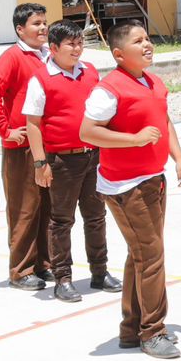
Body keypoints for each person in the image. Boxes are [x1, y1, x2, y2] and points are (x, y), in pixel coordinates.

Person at [80, 21, 181, 359]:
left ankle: (131, 328)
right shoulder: (109, 89)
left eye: (147, 38)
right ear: (118, 54)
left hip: (153, 178)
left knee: (141, 255)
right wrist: (133, 140)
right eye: (137, 41)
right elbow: (87, 132)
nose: (147, 45)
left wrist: (179, 157)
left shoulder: (154, 82)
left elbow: (164, 120)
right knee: (152, 255)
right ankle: (153, 331)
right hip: (124, 185)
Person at [21, 22, 119, 302]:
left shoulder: (89, 72)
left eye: (79, 43)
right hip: (62, 160)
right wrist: (41, 163)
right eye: (70, 44)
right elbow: (33, 124)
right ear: (53, 48)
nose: (77, 49)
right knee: (62, 221)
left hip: (93, 157)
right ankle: (62, 278)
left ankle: (99, 272)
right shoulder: (40, 79)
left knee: (96, 216)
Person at [0, 1, 53, 290]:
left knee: (47, 206)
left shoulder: (49, 55)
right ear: (20, 29)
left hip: (46, 144)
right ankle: (21, 270)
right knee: (24, 208)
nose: (43, 28)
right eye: (36, 24)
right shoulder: (13, 56)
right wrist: (6, 130)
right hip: (21, 145)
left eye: (44, 22)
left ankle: (43, 264)